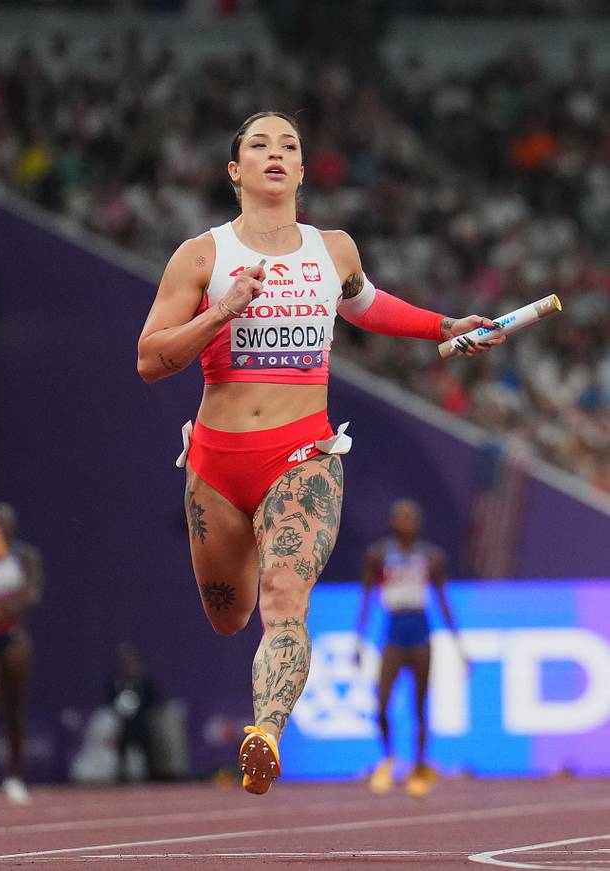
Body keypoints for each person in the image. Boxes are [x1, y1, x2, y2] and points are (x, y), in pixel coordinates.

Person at [137, 110, 504, 795]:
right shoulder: (201, 256)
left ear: (303, 171)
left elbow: (365, 305)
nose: (275, 153)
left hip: (302, 454)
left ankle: (265, 732)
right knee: (229, 614)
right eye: (258, 144)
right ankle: (261, 696)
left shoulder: (332, 249)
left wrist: (443, 325)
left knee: (284, 598)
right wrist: (221, 312)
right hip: (216, 465)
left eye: (289, 146)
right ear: (234, 169)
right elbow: (150, 360)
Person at [356, 499, 465, 798]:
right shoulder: (379, 554)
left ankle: (418, 767)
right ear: (392, 522)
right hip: (393, 629)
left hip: (420, 629)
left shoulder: (430, 556)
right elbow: (366, 597)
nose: (406, 522)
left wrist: (459, 647)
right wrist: (358, 640)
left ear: (418, 522)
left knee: (420, 704)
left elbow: (443, 600)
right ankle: (389, 758)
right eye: (400, 517)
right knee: (381, 703)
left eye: (410, 517)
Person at [0, 502, 43, 804]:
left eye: (7, 522)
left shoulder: (24, 555)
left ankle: (14, 777)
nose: (3, 527)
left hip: (13, 633)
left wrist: (11, 607)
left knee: (15, 708)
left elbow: (33, 591)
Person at [106, 642, 159, 783]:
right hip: (124, 723)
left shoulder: (144, 681)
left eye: (131, 663)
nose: (129, 666)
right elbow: (109, 700)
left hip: (140, 722)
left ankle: (152, 778)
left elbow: (154, 699)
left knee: (147, 749)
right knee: (121, 752)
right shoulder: (116, 682)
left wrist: (144, 710)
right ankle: (121, 779)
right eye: (126, 663)